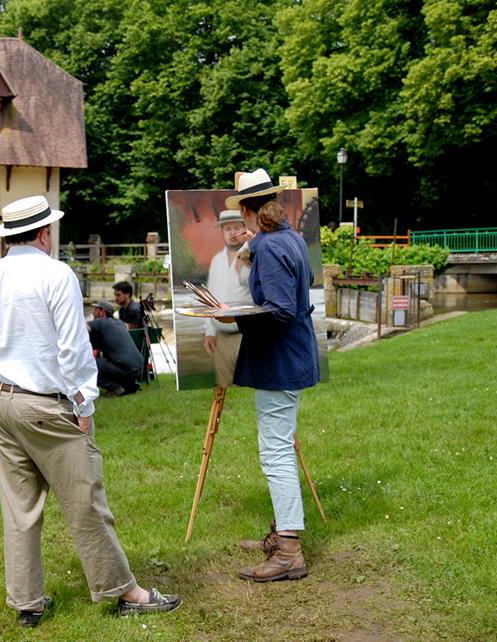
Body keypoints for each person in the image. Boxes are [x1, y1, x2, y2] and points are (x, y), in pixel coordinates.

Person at [0, 195, 181, 627]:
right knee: (85, 502)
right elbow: (74, 347)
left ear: (9, 237)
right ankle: (125, 591)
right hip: (45, 403)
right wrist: (85, 402)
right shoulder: (56, 274)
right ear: (44, 234)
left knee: (19, 507)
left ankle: (28, 602)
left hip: (1, 402)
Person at [220, 168, 321, 582]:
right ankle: (283, 535)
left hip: (281, 361)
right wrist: (253, 247)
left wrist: (234, 315)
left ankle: (290, 552)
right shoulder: (289, 239)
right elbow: (305, 282)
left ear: (247, 210)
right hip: (288, 357)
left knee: (276, 455)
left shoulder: (273, 247)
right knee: (277, 451)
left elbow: (279, 309)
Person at [203, 210, 252, 388]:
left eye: (237, 228)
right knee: (223, 387)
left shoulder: (253, 258)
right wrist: (209, 331)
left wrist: (247, 261)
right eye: (227, 228)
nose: (232, 233)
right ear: (222, 232)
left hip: (247, 334)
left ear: (245, 230)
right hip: (221, 335)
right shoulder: (216, 260)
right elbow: (211, 297)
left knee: (247, 388)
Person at [88, 300, 142, 397]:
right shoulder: (120, 323)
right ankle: (128, 385)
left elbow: (83, 328)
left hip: (124, 368)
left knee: (87, 363)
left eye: (95, 309)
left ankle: (114, 387)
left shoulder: (100, 322)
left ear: (102, 312)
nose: (93, 312)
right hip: (138, 369)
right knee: (105, 361)